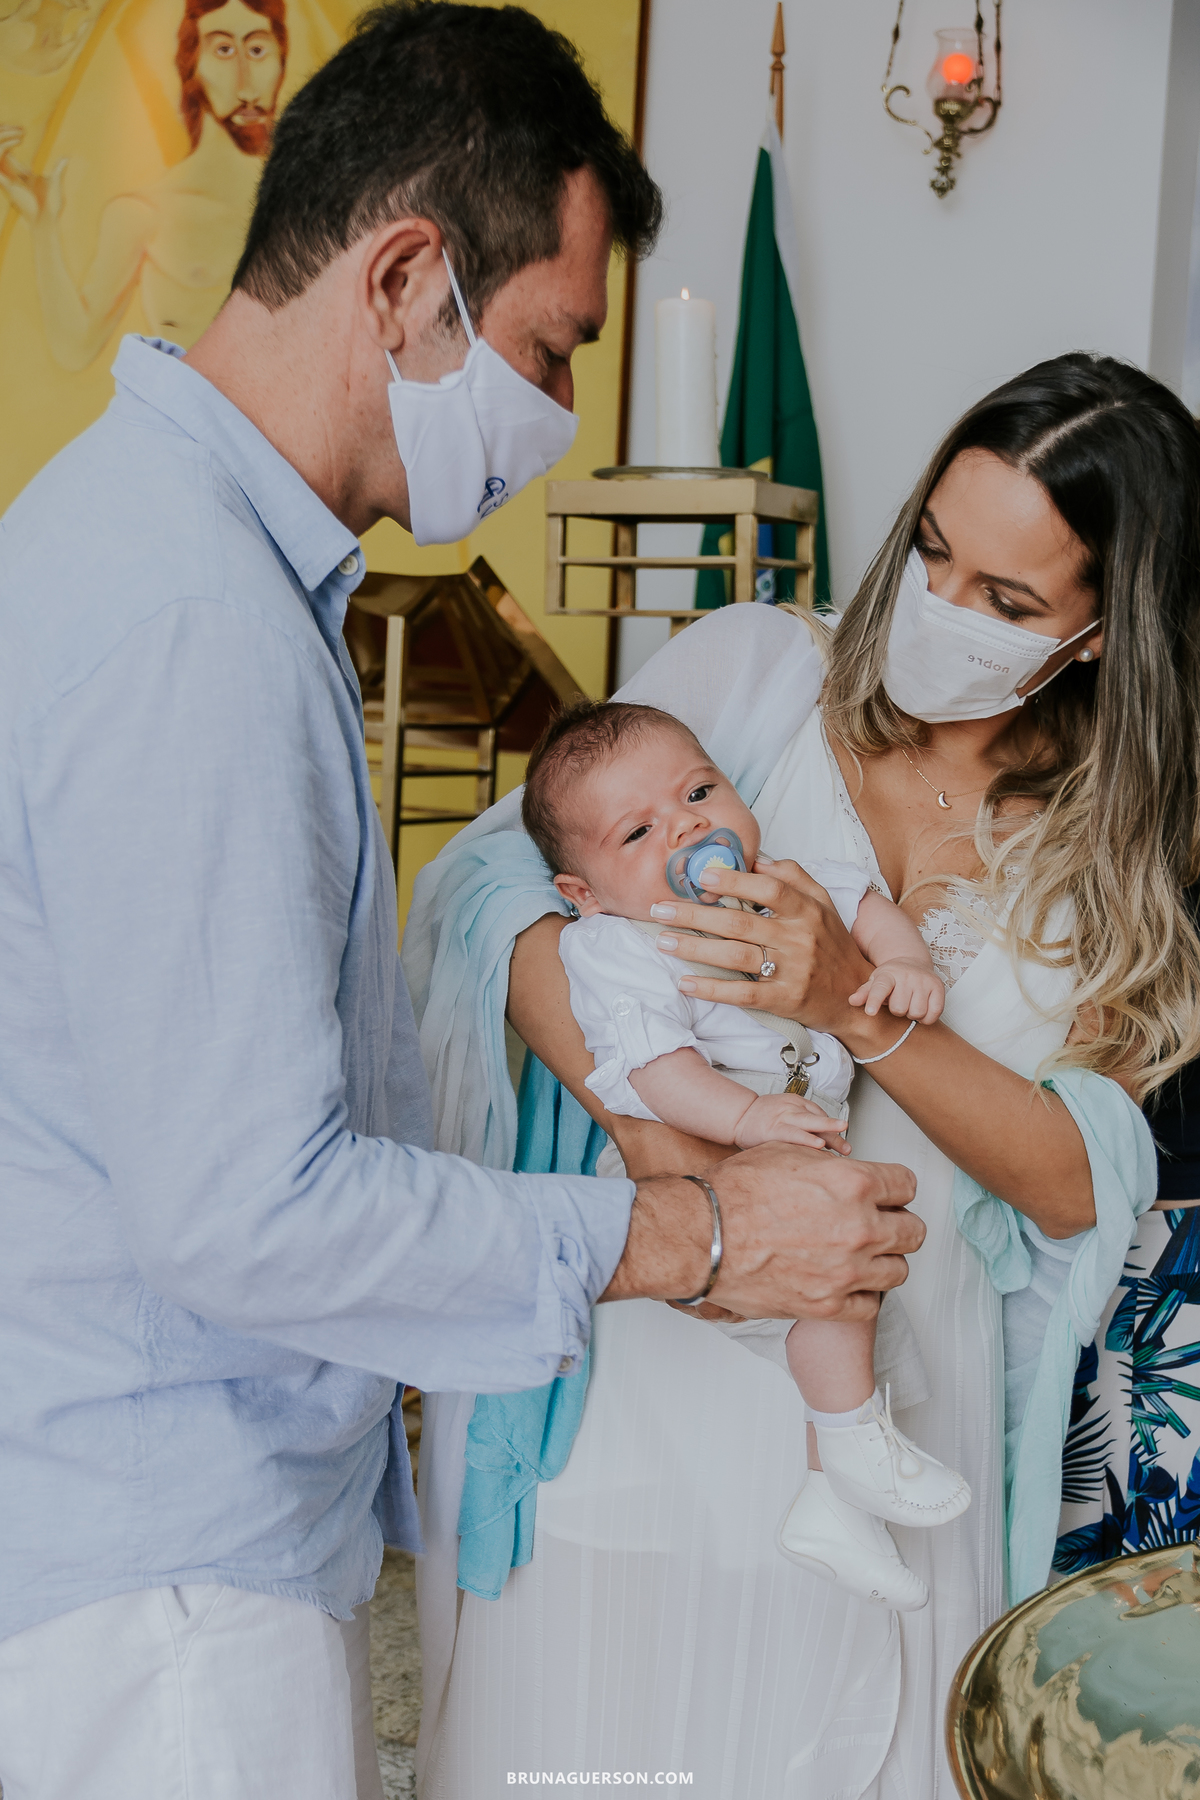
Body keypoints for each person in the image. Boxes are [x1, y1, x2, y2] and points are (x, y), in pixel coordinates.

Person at [0, 7, 927, 1798]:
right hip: (165, 1589)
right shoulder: (193, 618)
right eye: (548, 350)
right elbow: (252, 1217)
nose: (560, 424)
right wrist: (704, 1242)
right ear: (409, 277)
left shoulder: (127, 533)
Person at [409, 352, 1200, 1799]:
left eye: (1006, 603)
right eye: (934, 553)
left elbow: (1083, 1183)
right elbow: (492, 903)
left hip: (905, 1410)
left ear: (1101, 635)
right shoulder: (755, 667)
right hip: (653, 1345)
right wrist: (676, 1165)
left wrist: (860, 1009)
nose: (939, 612)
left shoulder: (1121, 847)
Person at [522, 695, 969, 1613]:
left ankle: (833, 1497)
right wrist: (747, 1123)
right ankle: (847, 1453)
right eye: (640, 830)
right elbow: (655, 1073)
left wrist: (905, 963)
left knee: (850, 1280)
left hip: (789, 1141)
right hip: (701, 1154)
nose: (687, 824)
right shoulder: (619, 945)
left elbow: (869, 909)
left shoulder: (787, 884)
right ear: (586, 892)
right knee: (839, 1278)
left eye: (699, 790)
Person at [0, 0, 288, 367]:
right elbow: (75, 348)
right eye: (224, 50)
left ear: (281, 58)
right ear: (192, 66)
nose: (246, 81)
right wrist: (43, 224)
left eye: (258, 49)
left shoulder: (310, 198)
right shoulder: (146, 212)